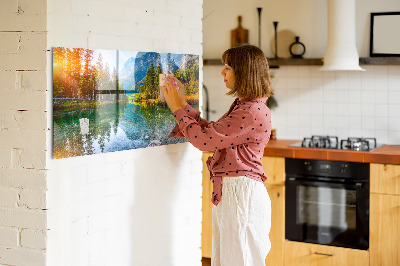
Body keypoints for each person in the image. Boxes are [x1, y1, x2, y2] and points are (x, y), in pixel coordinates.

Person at [161, 44, 273, 266]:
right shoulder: (246, 106)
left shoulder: (250, 111)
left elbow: (204, 141)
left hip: (241, 196)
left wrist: (176, 108)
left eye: (228, 67)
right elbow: (212, 133)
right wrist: (183, 103)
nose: (222, 72)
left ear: (244, 72)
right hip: (236, 193)